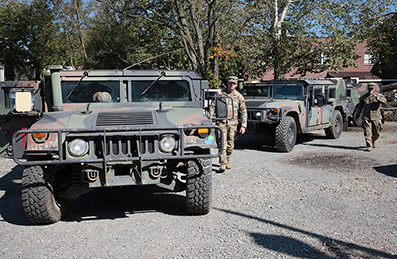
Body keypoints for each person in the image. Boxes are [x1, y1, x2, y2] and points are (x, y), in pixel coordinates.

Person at [210, 76, 247, 172]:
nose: (231, 85)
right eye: (230, 83)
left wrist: (243, 125)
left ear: (236, 85)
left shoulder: (239, 96)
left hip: (233, 124)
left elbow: (243, 112)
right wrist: (210, 121)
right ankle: (222, 163)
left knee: (231, 145)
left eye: (234, 83)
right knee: (222, 143)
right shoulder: (219, 94)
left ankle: (227, 161)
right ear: (227, 83)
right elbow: (212, 107)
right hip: (221, 123)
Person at [355, 83, 387, 151]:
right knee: (367, 131)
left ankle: (374, 140)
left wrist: (376, 97)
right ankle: (369, 145)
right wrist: (357, 116)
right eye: (369, 88)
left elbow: (384, 102)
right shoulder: (363, 97)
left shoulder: (379, 95)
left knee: (377, 131)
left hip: (376, 116)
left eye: (372, 88)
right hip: (366, 116)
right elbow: (360, 107)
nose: (370, 90)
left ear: (375, 88)